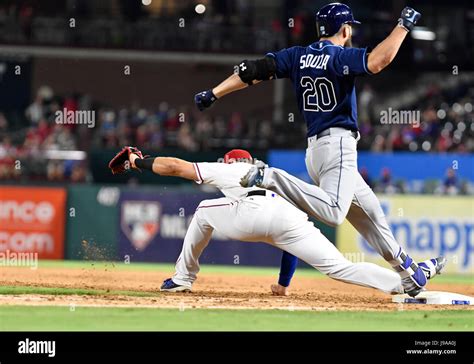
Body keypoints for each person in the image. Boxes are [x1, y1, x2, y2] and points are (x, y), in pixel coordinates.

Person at [193, 3, 444, 297]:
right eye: (351, 28)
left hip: (317, 150)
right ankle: (268, 176)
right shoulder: (338, 57)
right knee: (335, 212)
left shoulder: (298, 56)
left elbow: (252, 72)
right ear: (346, 29)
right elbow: (378, 61)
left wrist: (214, 93)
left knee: (370, 211)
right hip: (338, 146)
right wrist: (403, 25)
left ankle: (409, 272)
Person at [109, 146, 444, 296]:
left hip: (249, 215)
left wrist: (139, 162)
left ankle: (184, 277)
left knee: (202, 213)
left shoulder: (230, 167)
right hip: (288, 217)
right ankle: (404, 283)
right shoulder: (270, 177)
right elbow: (290, 250)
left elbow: (178, 167)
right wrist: (284, 284)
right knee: (340, 267)